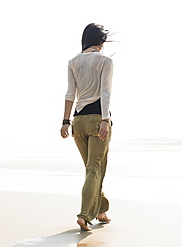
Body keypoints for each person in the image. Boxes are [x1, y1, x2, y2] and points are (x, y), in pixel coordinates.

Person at [60, 23, 113, 231]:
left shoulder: (73, 62)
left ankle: (101, 211)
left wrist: (65, 122)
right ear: (100, 41)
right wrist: (105, 120)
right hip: (97, 120)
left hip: (78, 122)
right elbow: (106, 93)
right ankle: (84, 216)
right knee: (95, 168)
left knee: (92, 169)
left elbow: (69, 94)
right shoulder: (105, 61)